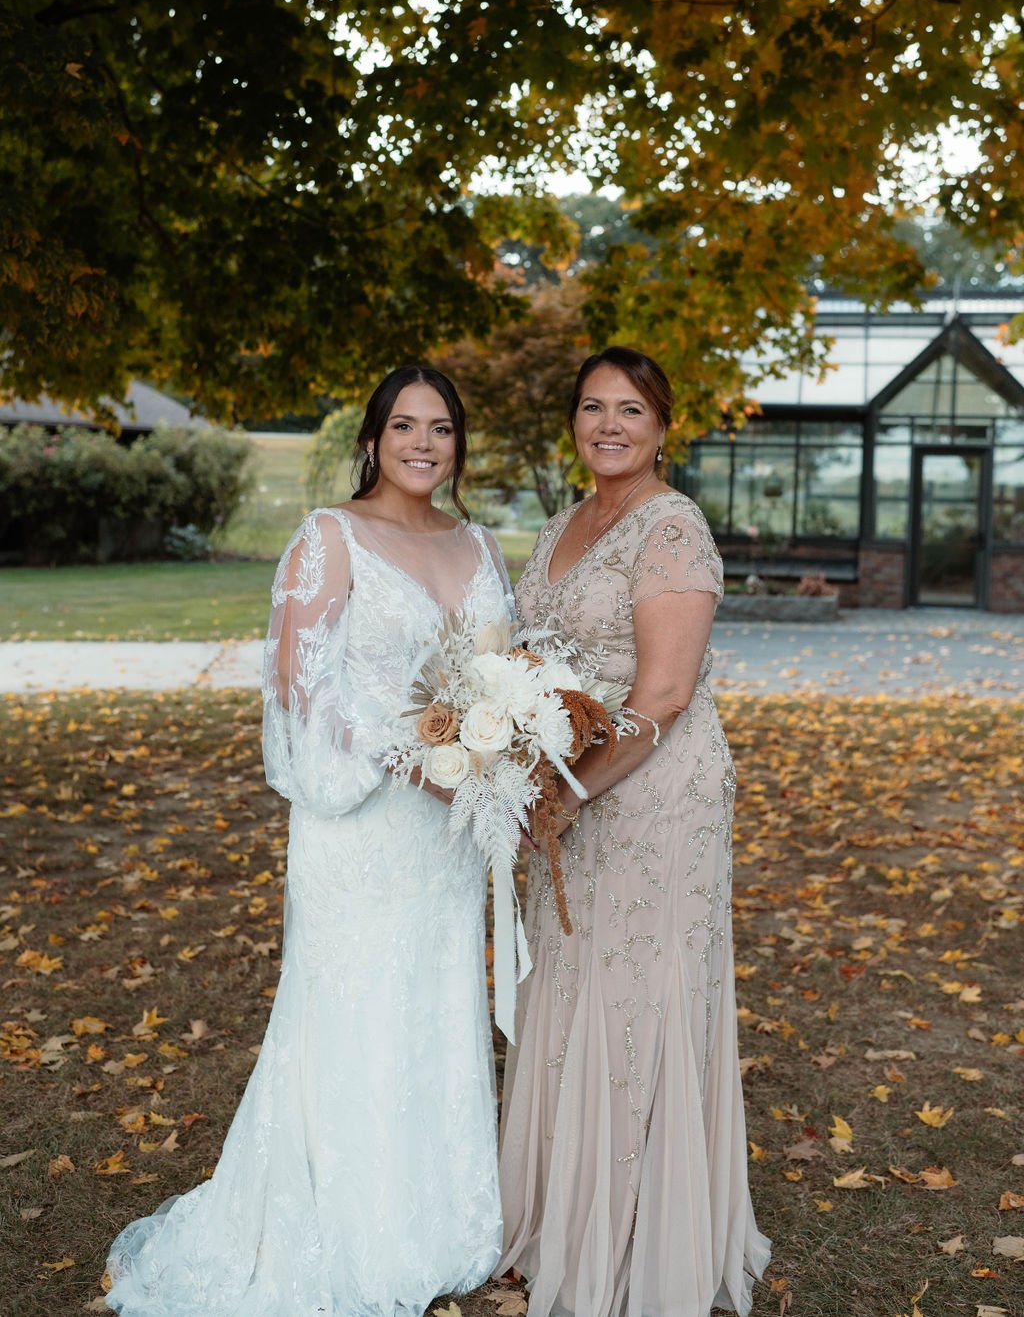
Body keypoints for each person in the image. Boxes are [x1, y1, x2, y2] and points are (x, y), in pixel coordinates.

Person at [106, 366, 511, 1317]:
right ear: (372, 440)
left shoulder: (479, 542)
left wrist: (498, 746)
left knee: (436, 998)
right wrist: (413, 755)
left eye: (441, 427)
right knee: (353, 1008)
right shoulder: (329, 537)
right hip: (362, 823)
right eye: (405, 425)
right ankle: (345, 1227)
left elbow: (498, 677)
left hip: (448, 838)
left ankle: (439, 1216)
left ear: (458, 443)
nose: (424, 442)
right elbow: (300, 690)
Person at [499, 346, 770, 1317]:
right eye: (590, 408)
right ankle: (556, 1217)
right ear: (573, 421)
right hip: (567, 781)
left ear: (662, 426)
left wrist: (576, 788)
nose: (607, 425)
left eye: (629, 410)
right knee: (569, 988)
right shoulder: (565, 523)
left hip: (651, 792)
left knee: (637, 994)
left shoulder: (671, 528)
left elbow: (663, 689)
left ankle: (635, 1238)